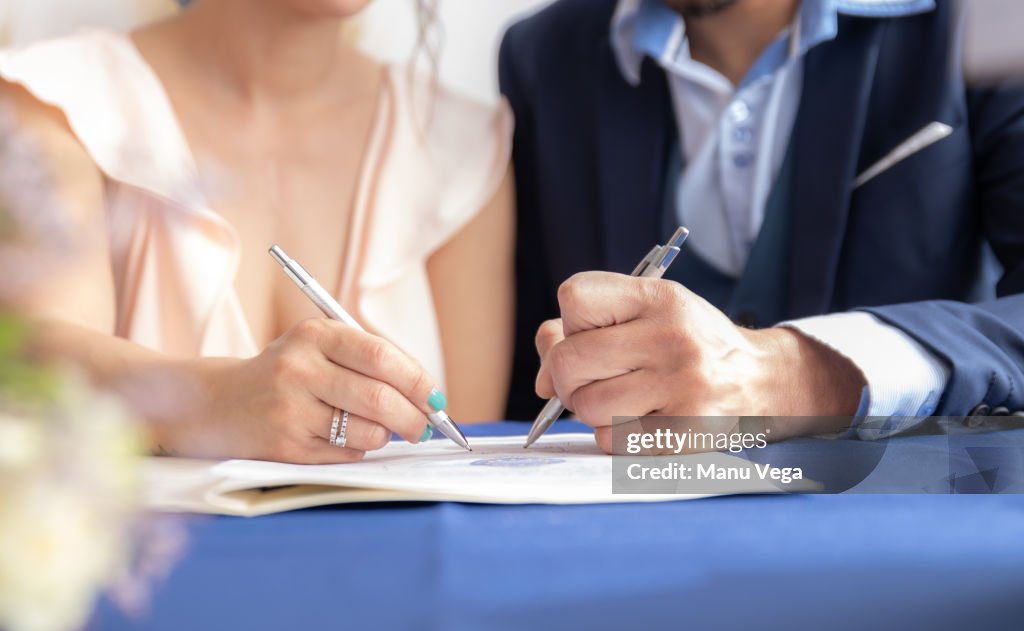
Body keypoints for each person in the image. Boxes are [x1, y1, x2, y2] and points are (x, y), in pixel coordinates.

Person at [0, 0, 514, 462]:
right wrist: (213, 401)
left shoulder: (459, 148)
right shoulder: (53, 102)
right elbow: (28, 363)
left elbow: (463, 464)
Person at [499, 0, 1024, 451]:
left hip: (910, 518)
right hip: (635, 529)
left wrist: (798, 376)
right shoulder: (543, 56)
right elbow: (527, 378)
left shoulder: (989, 19)